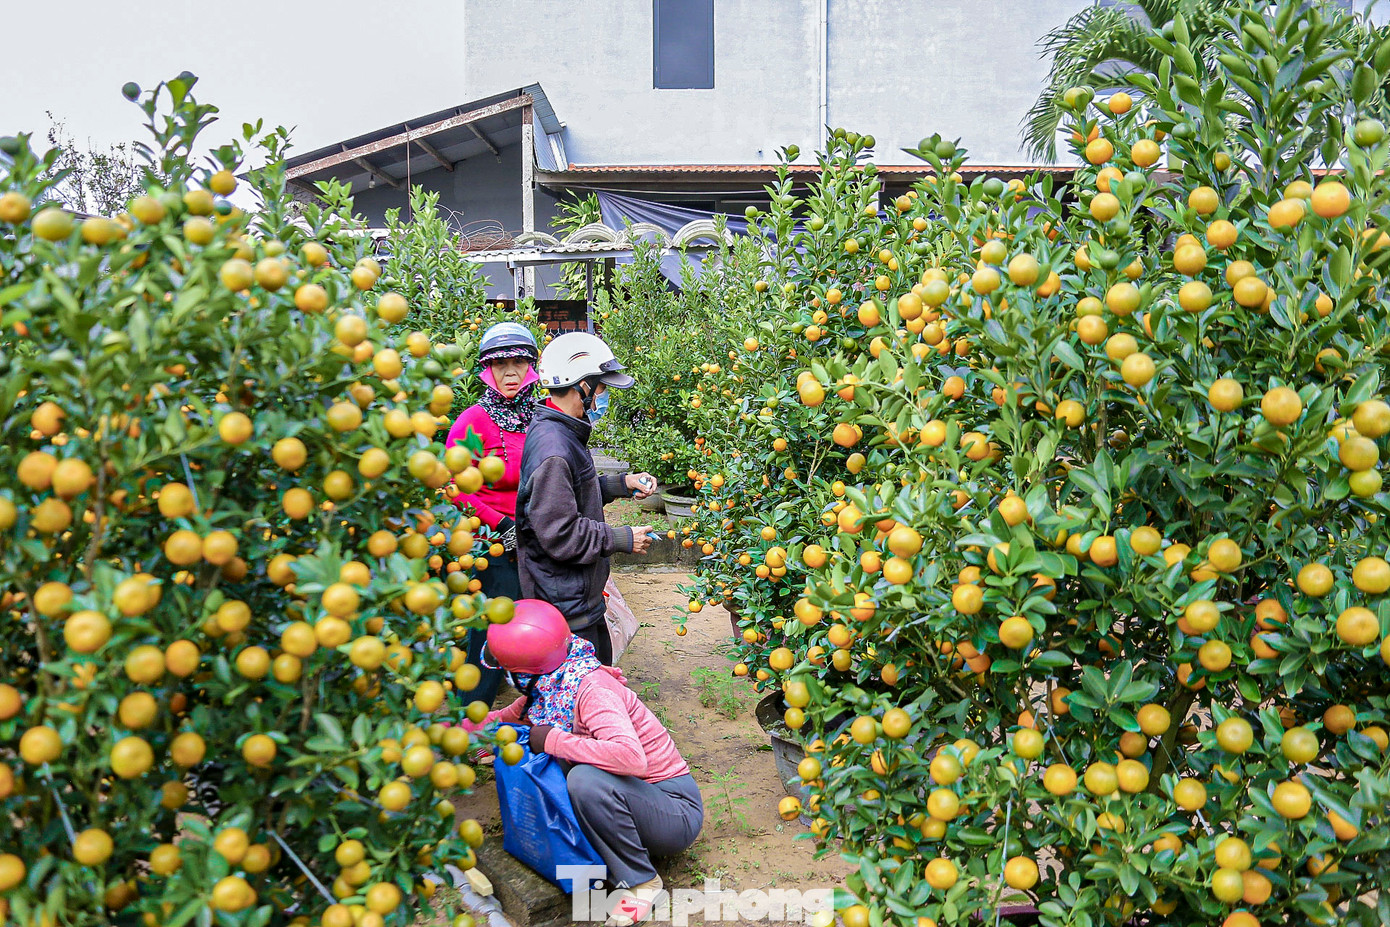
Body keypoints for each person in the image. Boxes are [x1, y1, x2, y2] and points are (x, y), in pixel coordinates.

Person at [484, 600, 703, 926]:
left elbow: (631, 758)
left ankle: (642, 882)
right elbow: (500, 721)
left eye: (507, 671)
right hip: (633, 800)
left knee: (583, 779)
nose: (506, 677)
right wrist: (454, 732)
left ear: (526, 672)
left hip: (671, 809)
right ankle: (605, 855)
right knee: (557, 767)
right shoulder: (550, 685)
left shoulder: (591, 689)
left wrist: (552, 740)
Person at [516, 331, 658, 665]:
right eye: (601, 387)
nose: (602, 397)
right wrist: (621, 538)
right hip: (564, 603)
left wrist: (621, 483)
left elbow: (571, 492)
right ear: (581, 384)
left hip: (574, 596)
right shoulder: (554, 447)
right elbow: (560, 532)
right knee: (580, 701)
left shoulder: (563, 431)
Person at [445, 321, 540, 706]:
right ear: (488, 370)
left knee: (534, 622)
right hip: (492, 544)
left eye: (518, 362)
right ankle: (470, 718)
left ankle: (537, 707)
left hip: (537, 537)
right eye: (501, 365)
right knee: (489, 626)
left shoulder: (542, 415)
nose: (510, 372)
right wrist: (500, 524)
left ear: (531, 367)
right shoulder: (473, 421)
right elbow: (453, 486)